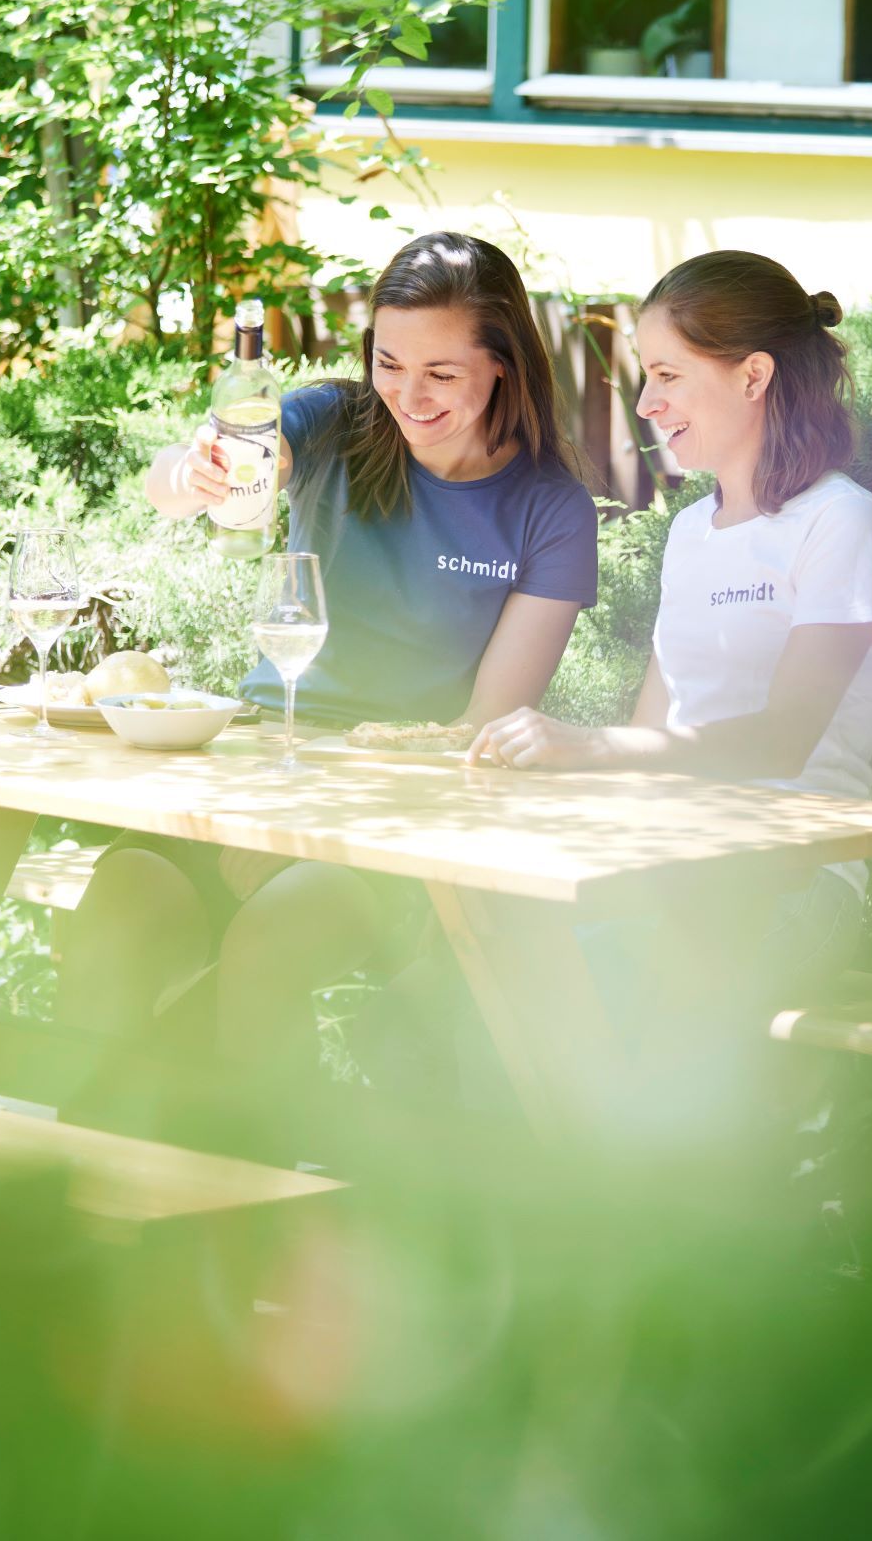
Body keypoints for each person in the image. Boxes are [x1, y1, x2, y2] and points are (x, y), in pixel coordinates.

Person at [57, 232, 599, 1097]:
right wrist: (196, 475)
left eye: (441, 373)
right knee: (117, 905)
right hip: (257, 768)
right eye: (389, 363)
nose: (408, 395)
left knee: (268, 941)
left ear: (503, 365)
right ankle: (83, 1153)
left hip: (398, 820)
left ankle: (261, 1170)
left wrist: (311, 822)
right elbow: (180, 478)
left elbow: (480, 735)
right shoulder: (333, 421)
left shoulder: (550, 509)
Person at [463, 248, 872, 1030]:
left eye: (668, 375)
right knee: (470, 967)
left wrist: (589, 745)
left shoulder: (842, 522)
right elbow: (653, 737)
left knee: (557, 997)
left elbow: (782, 742)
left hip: (793, 885)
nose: (646, 403)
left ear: (754, 375)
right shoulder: (691, 533)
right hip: (676, 861)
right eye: (648, 376)